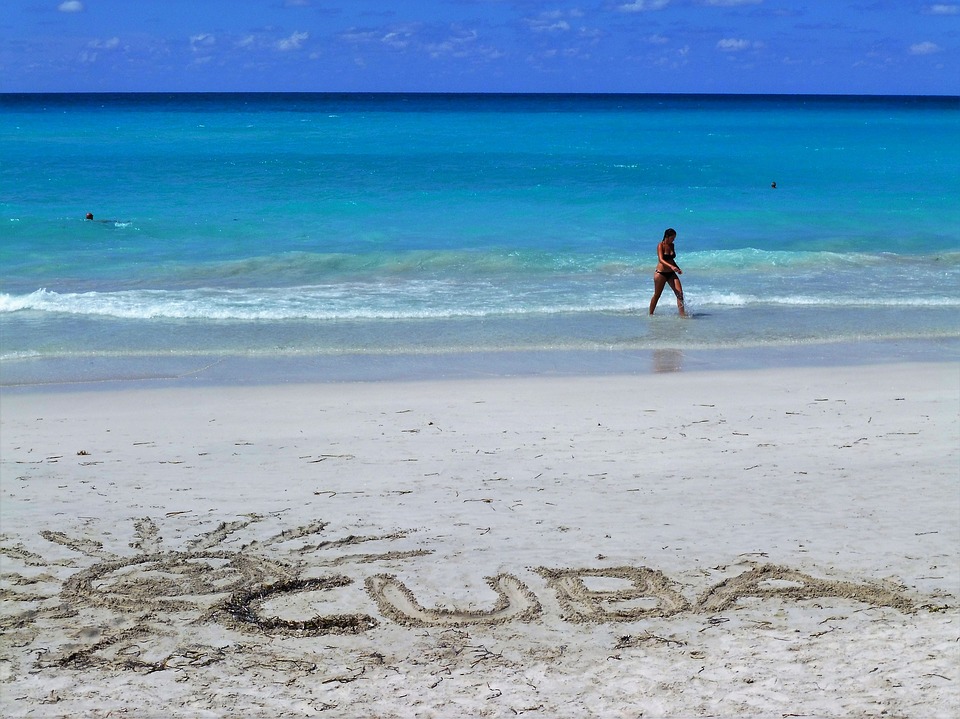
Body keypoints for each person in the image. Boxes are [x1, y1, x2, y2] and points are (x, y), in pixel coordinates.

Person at [649, 227, 685, 317]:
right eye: (672, 238)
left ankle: (682, 315)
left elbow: (671, 260)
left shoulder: (672, 245)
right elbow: (661, 259)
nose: (673, 240)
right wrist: (672, 267)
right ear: (667, 236)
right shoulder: (660, 245)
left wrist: (677, 268)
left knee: (680, 294)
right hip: (660, 273)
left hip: (671, 273)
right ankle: (650, 314)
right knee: (657, 295)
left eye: (674, 238)